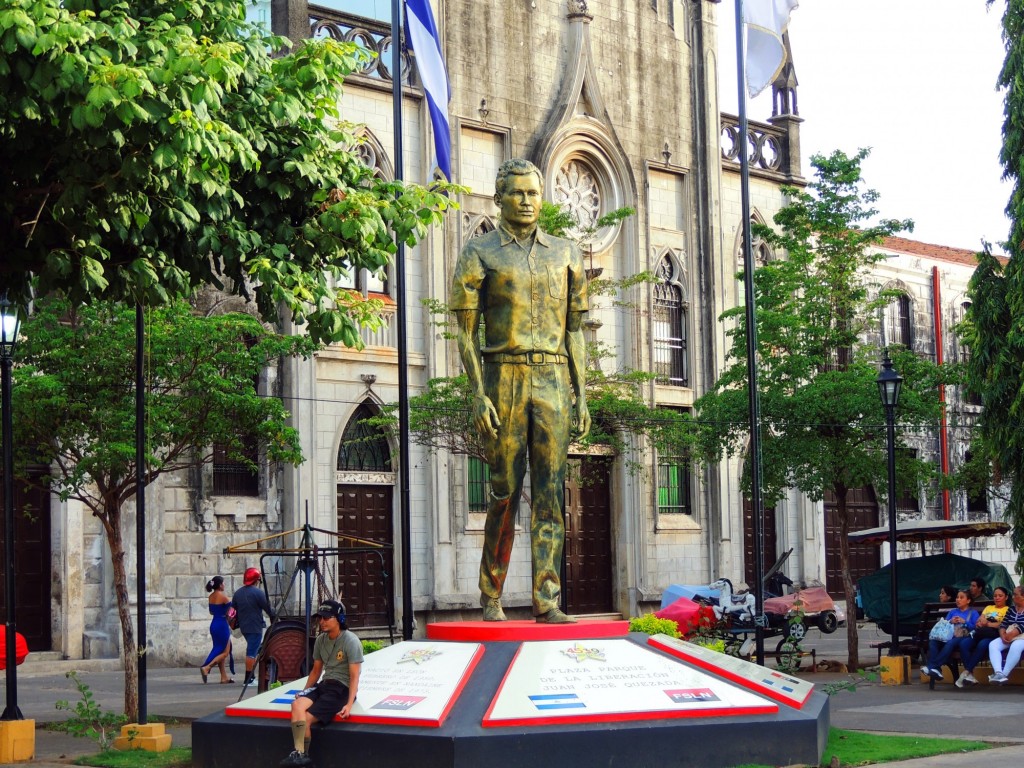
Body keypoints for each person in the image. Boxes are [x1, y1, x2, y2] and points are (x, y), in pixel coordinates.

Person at [451, 158, 589, 625]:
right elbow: (464, 331)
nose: (527, 201)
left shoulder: (567, 253)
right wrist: (477, 393)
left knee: (551, 494)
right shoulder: (479, 252)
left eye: (533, 193)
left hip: (553, 379)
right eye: (518, 193)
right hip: (503, 377)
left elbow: (575, 331)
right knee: (503, 493)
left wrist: (582, 393)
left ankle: (547, 599)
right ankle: (491, 594)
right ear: (499, 198)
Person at [281, 600, 362, 768]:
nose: (322, 622)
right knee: (297, 705)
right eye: (320, 618)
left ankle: (301, 755)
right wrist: (304, 692)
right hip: (324, 684)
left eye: (326, 618)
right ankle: (301, 755)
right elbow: (316, 671)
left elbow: (355, 677)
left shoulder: (351, 641)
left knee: (305, 720)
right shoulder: (320, 640)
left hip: (341, 689)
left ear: (339, 619)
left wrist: (348, 704)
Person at [957, 585, 1010, 687]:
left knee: (982, 644)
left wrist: (988, 624)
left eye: (1000, 596)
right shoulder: (988, 607)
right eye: (995, 596)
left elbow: (1003, 625)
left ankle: (967, 671)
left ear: (1006, 597)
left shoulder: (1008, 609)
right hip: (980, 632)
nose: (997, 598)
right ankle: (970, 674)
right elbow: (979, 620)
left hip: (993, 634)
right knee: (964, 643)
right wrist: (980, 623)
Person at [922, 589, 978, 681]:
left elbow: (976, 628)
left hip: (963, 637)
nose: (958, 600)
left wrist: (964, 622)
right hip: (948, 636)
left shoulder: (973, 613)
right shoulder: (952, 611)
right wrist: (951, 621)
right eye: (957, 597)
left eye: (961, 598)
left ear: (968, 600)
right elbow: (945, 624)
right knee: (933, 642)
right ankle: (936, 669)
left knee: (951, 643)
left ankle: (933, 667)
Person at [233, 566, 275, 687]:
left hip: (244, 626)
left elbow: (233, 610)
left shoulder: (238, 593)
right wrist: (275, 617)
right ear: (256, 580)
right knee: (251, 652)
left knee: (255, 649)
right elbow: (268, 609)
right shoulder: (258, 593)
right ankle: (249, 679)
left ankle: (252, 676)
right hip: (255, 626)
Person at [199, 575, 235, 684]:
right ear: (219, 585)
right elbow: (231, 612)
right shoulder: (223, 597)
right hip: (222, 624)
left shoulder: (211, 597)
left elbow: (211, 612)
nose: (224, 585)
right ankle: (207, 667)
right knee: (225, 652)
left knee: (219, 650)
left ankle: (224, 677)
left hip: (214, 624)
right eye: (223, 583)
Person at [987, 584, 1024, 684]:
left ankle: (1004, 674)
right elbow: (1003, 623)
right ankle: (998, 672)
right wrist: (1002, 634)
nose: (1013, 597)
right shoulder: (1011, 609)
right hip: (1009, 635)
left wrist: (1013, 633)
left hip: (1021, 637)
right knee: (993, 644)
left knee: (1016, 646)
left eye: (1015, 594)